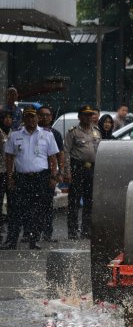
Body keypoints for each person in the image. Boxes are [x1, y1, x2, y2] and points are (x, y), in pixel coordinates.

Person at [1, 107, 60, 250]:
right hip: (21, 177)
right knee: (15, 209)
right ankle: (12, 240)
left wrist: (54, 176)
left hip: (40, 177)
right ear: (23, 119)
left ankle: (34, 240)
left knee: (37, 210)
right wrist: (10, 177)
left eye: (33, 117)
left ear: (37, 118)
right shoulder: (15, 135)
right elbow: (9, 157)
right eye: (28, 117)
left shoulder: (47, 135)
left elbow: (53, 157)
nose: (31, 120)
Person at [65, 105, 101, 240]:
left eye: (90, 115)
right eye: (85, 115)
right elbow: (66, 152)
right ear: (79, 117)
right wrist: (67, 171)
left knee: (89, 201)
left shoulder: (96, 131)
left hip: (92, 168)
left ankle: (86, 230)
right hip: (77, 168)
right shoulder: (73, 132)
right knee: (74, 200)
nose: (88, 117)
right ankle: (72, 231)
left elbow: (100, 150)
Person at [37, 106, 65, 242]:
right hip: (34, 173)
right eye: (42, 115)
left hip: (49, 174)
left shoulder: (55, 133)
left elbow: (60, 155)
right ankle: (31, 234)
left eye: (48, 115)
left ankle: (47, 233)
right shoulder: (30, 132)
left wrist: (59, 173)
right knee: (32, 205)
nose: (45, 118)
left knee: (47, 205)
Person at [0, 111, 10, 242]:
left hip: (8, 171)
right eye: (5, 118)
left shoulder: (13, 132)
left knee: (12, 202)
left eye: (10, 117)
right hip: (2, 170)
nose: (8, 120)